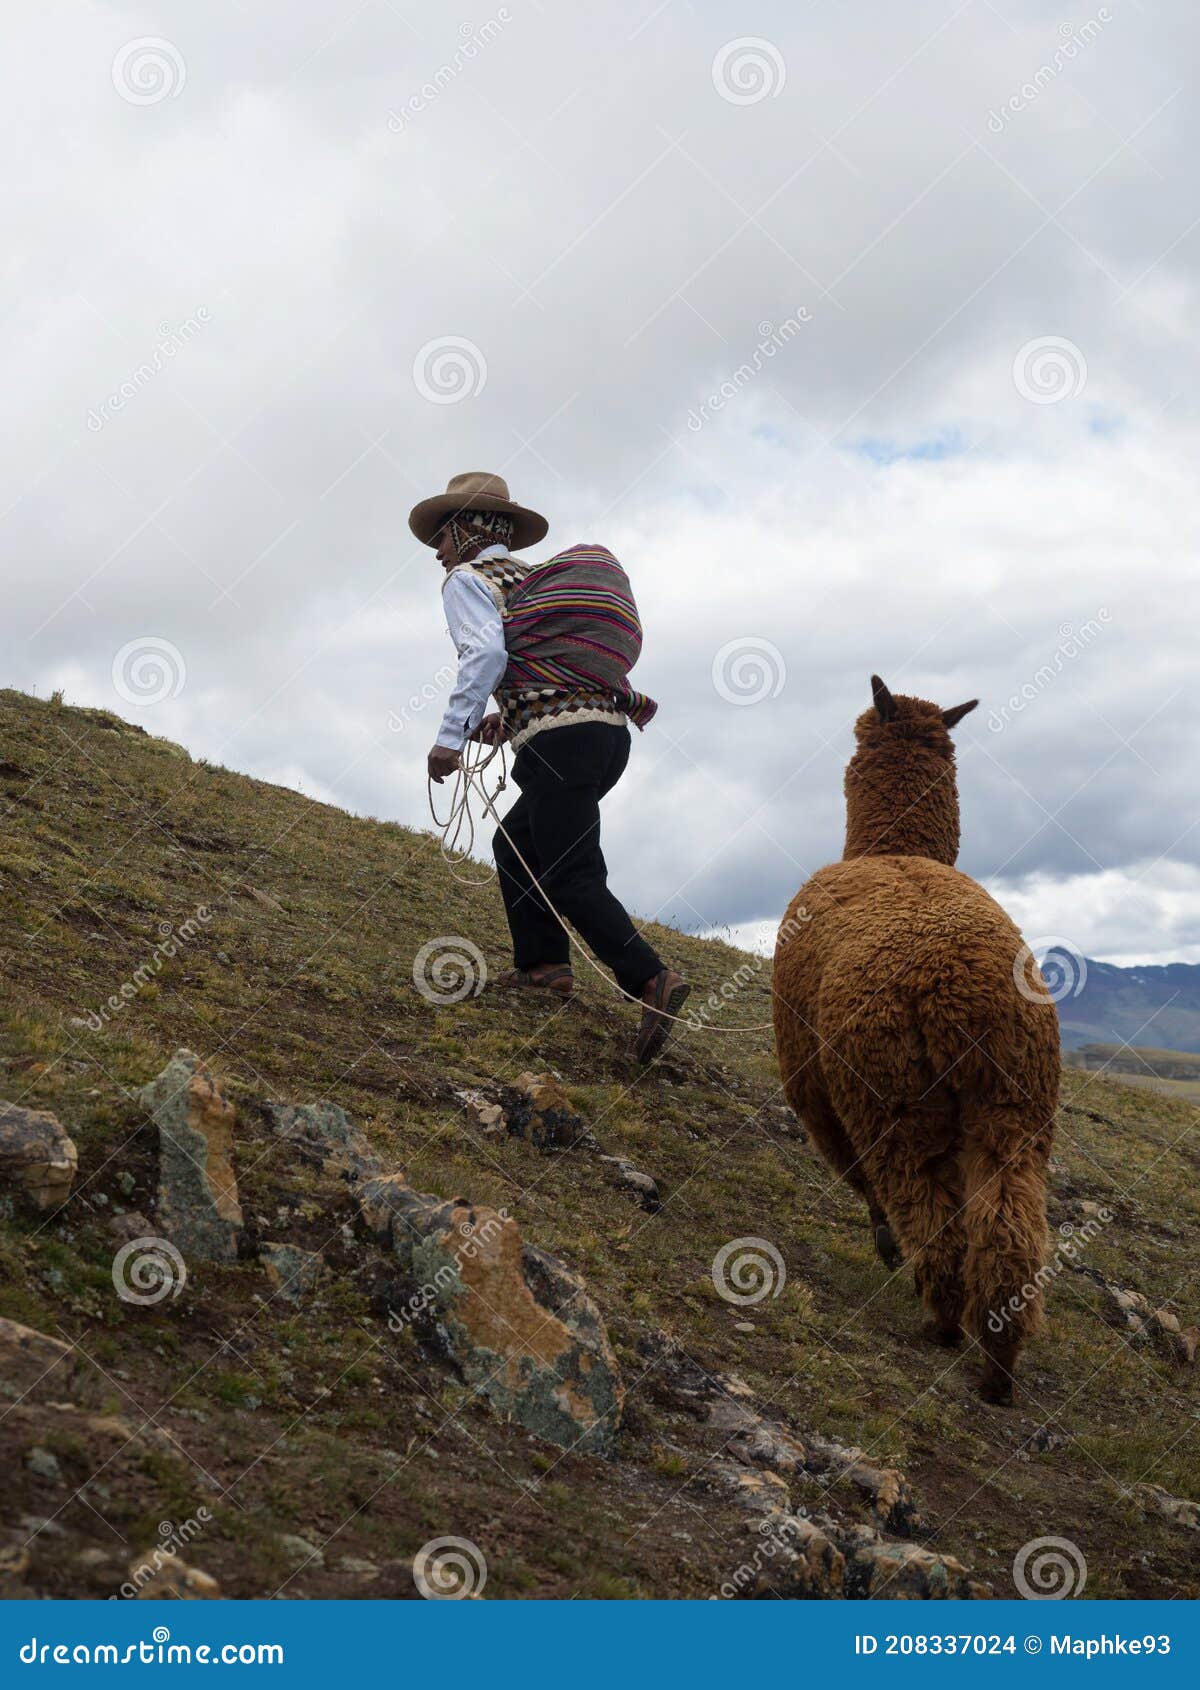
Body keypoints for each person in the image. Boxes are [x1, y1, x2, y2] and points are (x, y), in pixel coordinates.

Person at [410, 471, 689, 1062]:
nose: (436, 552)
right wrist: (508, 720)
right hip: (606, 736)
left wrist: (450, 737)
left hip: (560, 743)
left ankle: (649, 980)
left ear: (464, 532)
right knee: (517, 844)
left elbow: (485, 652)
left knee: (570, 872)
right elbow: (548, 667)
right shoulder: (533, 581)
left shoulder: (468, 579)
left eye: (441, 537)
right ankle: (544, 967)